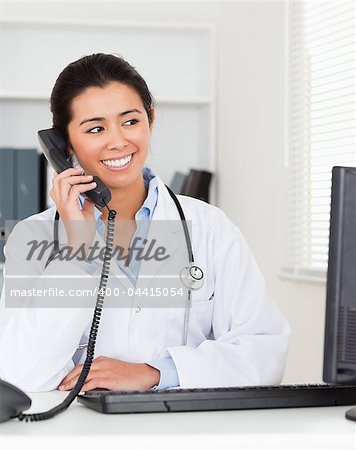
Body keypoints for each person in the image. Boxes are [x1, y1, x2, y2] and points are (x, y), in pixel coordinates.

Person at [0, 53, 291, 393]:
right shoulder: (32, 236)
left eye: (130, 121)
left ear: (150, 119)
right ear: (64, 145)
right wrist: (77, 251)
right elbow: (17, 375)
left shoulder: (210, 227)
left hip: (186, 434)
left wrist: (155, 373)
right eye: (95, 128)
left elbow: (264, 352)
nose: (118, 141)